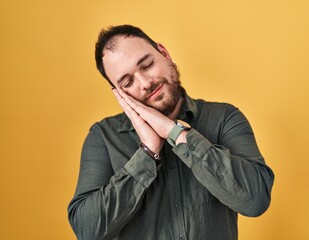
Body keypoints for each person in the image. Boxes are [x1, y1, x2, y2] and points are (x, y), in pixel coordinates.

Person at [67, 25, 275, 240]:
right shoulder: (103, 137)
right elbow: (87, 230)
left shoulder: (224, 118)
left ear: (164, 54)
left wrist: (175, 133)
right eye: (128, 82)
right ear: (119, 93)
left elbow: (256, 200)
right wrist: (147, 153)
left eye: (147, 65)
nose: (146, 83)